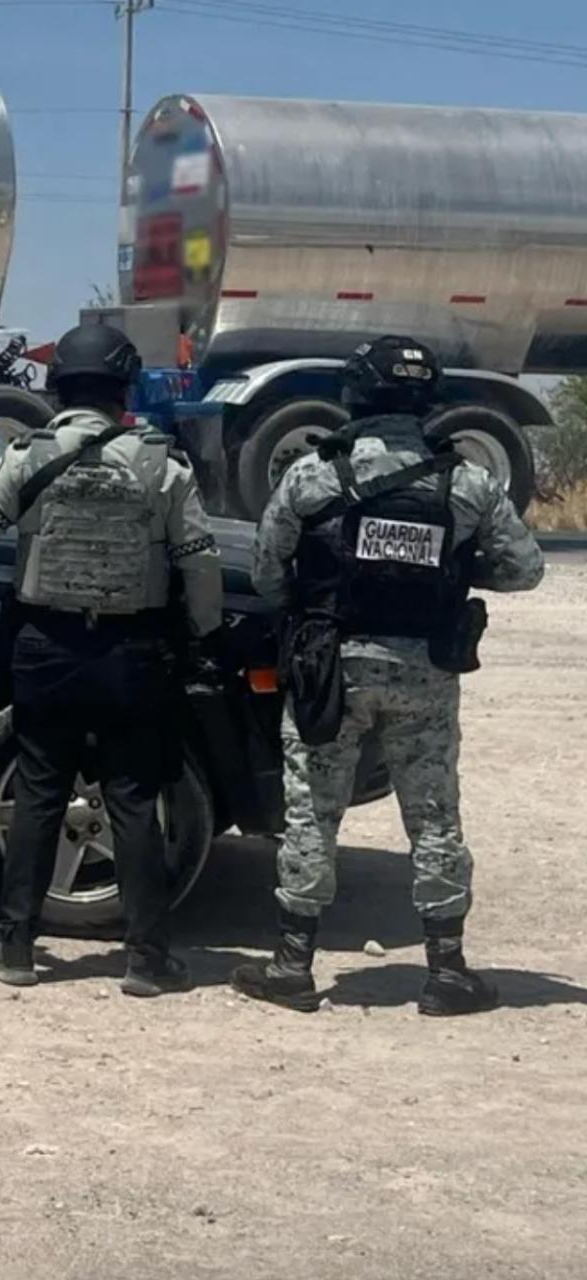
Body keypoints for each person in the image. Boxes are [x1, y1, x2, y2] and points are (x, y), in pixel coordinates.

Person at [0, 321, 221, 996]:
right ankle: (146, 958)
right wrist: (199, 634)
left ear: (57, 387)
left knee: (40, 793)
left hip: (45, 650)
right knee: (133, 798)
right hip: (133, 652)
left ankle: (16, 947)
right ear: (123, 388)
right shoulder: (162, 463)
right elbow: (199, 565)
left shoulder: (27, 456)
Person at [231, 335, 544, 1016]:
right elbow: (525, 569)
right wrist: (451, 569)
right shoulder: (467, 482)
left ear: (357, 394)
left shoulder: (313, 475)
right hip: (424, 671)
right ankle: (447, 971)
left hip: (329, 669)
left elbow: (266, 572)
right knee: (433, 817)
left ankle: (292, 965)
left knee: (313, 812)